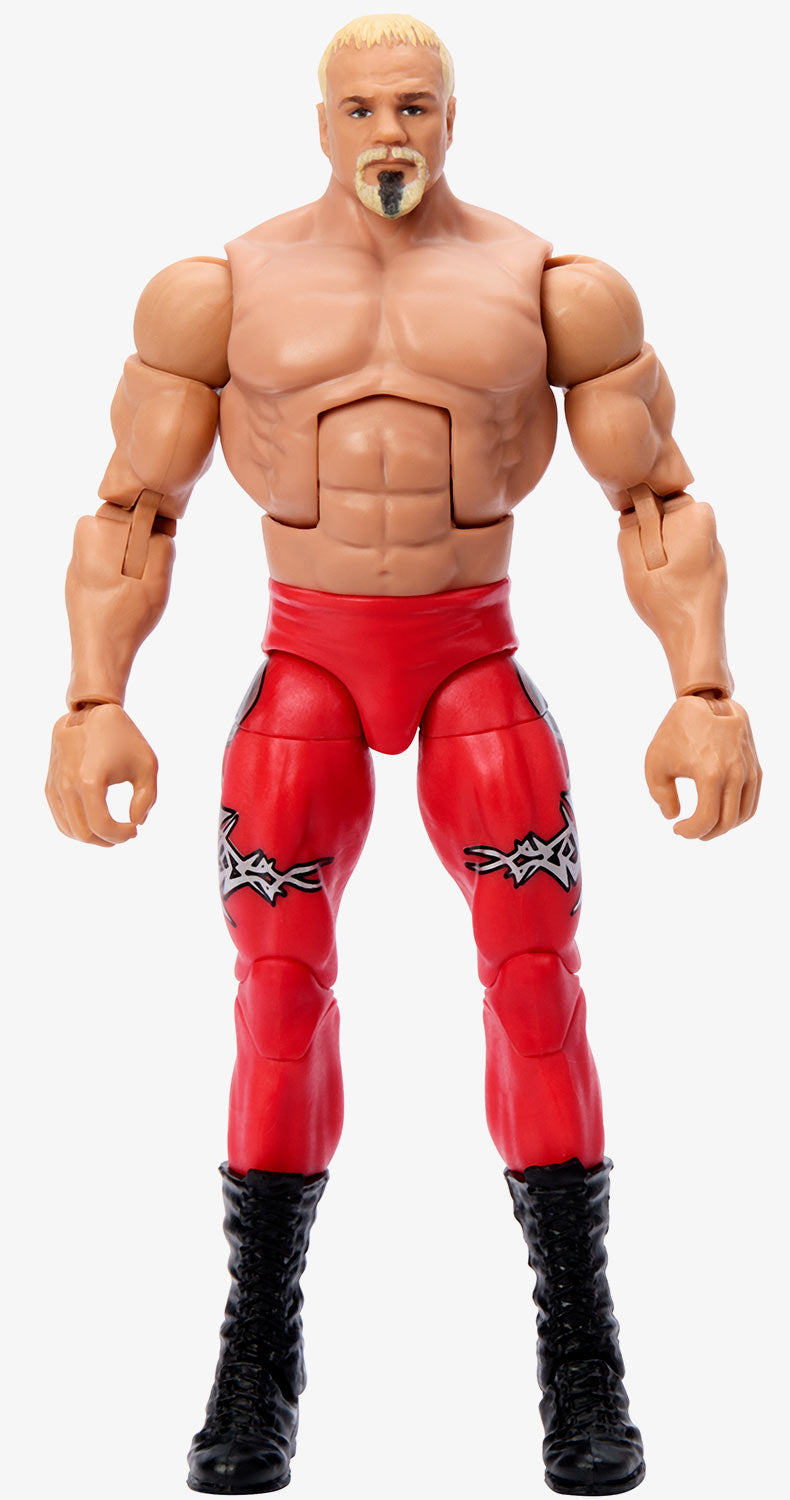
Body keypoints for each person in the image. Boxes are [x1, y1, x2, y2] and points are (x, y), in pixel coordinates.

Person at [46, 13, 760, 1497]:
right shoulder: (220, 290)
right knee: (276, 996)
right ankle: (257, 1346)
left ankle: (582, 1345)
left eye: (416, 106)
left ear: (452, 118)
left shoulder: (550, 287)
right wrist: (92, 698)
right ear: (320, 121)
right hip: (304, 663)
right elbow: (134, 507)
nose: (391, 132)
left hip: (469, 659)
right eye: (364, 106)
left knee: (536, 981)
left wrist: (702, 685)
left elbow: (655, 497)